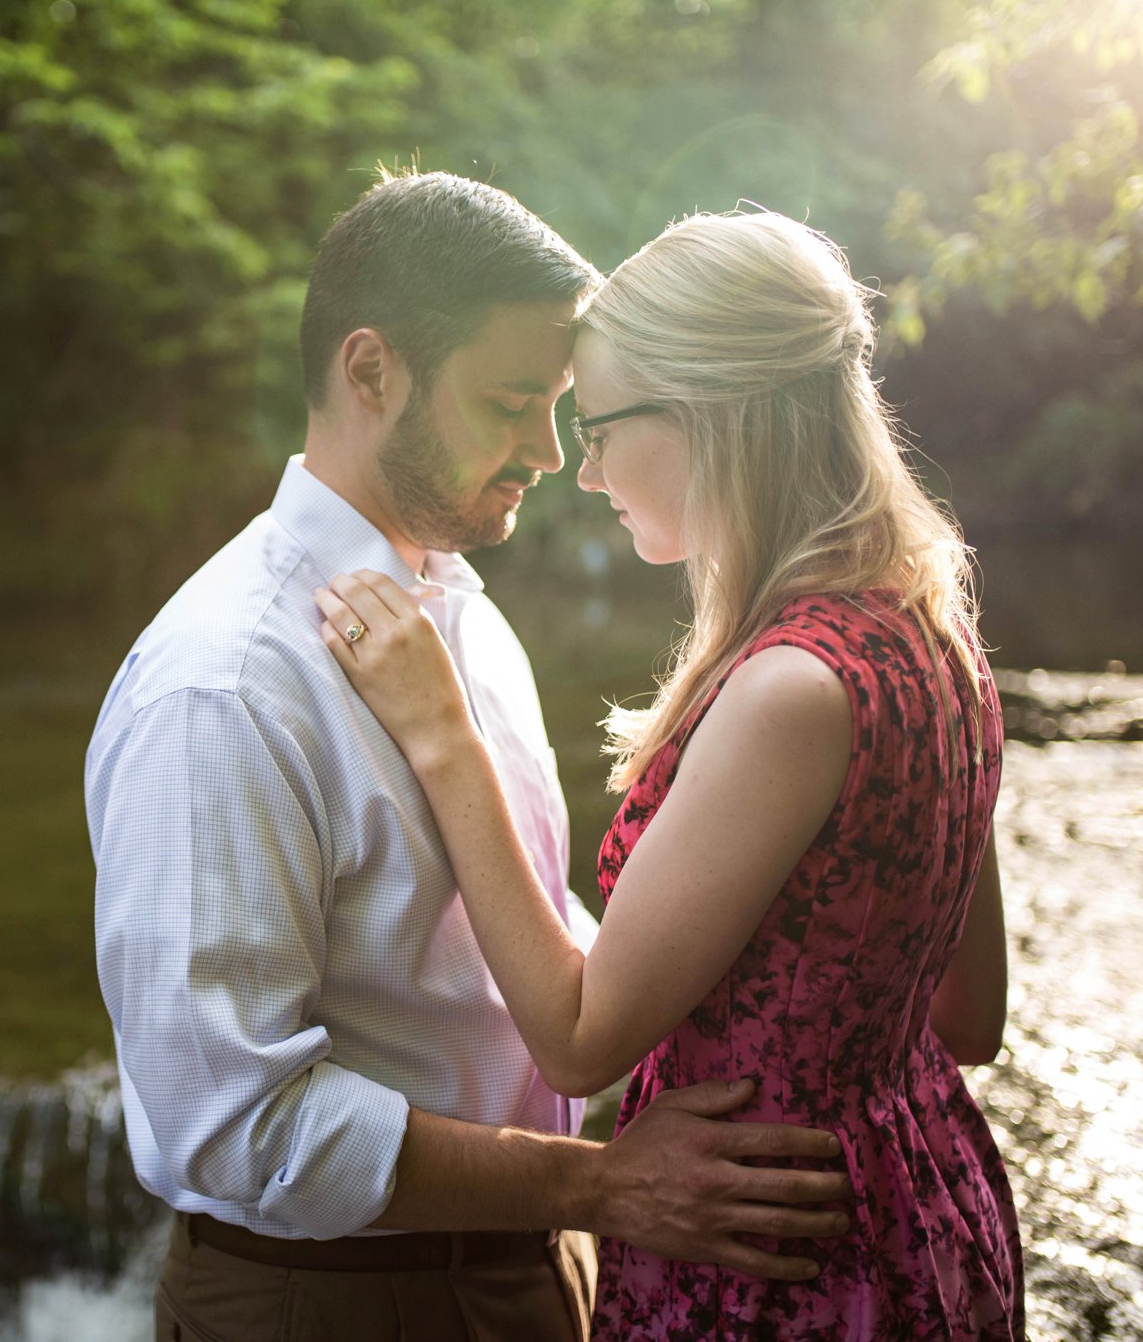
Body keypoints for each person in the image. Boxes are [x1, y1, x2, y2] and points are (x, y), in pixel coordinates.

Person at [86, 174, 852, 1342]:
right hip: (331, 1305)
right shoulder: (225, 687)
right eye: (509, 402)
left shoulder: (459, 613)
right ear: (370, 372)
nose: (550, 453)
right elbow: (230, 1126)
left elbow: (518, 938)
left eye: (558, 405)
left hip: (537, 1257)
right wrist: (601, 1184)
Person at [313, 209, 1024, 1339]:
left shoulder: (791, 691)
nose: (582, 472)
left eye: (597, 428)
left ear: (711, 415)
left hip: (769, 1250)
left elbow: (578, 1036)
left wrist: (440, 736)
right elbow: (970, 1017)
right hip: (921, 1200)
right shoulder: (934, 634)